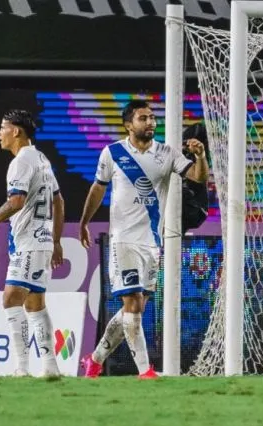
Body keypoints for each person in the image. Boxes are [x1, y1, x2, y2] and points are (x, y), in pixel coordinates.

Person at [78, 100, 209, 379]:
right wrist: (84, 222)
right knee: (133, 305)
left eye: (152, 118)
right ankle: (145, 371)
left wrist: (200, 157)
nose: (150, 122)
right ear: (128, 125)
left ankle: (95, 358)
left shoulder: (166, 153)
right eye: (143, 118)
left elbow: (197, 178)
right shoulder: (112, 153)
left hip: (152, 241)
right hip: (123, 240)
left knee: (134, 308)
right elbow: (98, 189)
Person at [0, 109, 65, 377]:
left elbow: (16, 201)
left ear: (16, 131)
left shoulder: (21, 161)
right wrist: (55, 240)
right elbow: (59, 200)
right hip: (39, 241)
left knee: (10, 300)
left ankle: (21, 368)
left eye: (2, 127)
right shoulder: (41, 159)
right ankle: (51, 367)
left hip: (30, 241)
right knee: (35, 304)